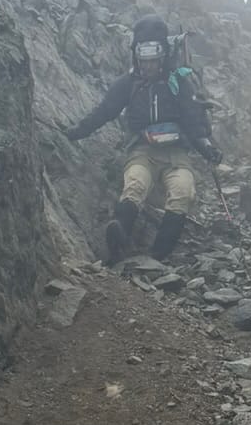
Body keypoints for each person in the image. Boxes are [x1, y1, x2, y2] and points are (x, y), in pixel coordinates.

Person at [63, 14, 221, 265]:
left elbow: (193, 121)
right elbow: (104, 112)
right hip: (142, 150)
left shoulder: (178, 82)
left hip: (177, 155)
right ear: (136, 56)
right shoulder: (128, 84)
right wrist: (76, 132)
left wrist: (207, 148)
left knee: (183, 192)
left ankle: (158, 255)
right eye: (143, 60)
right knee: (135, 184)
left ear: (163, 56)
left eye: (153, 60)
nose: (147, 66)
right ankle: (119, 236)